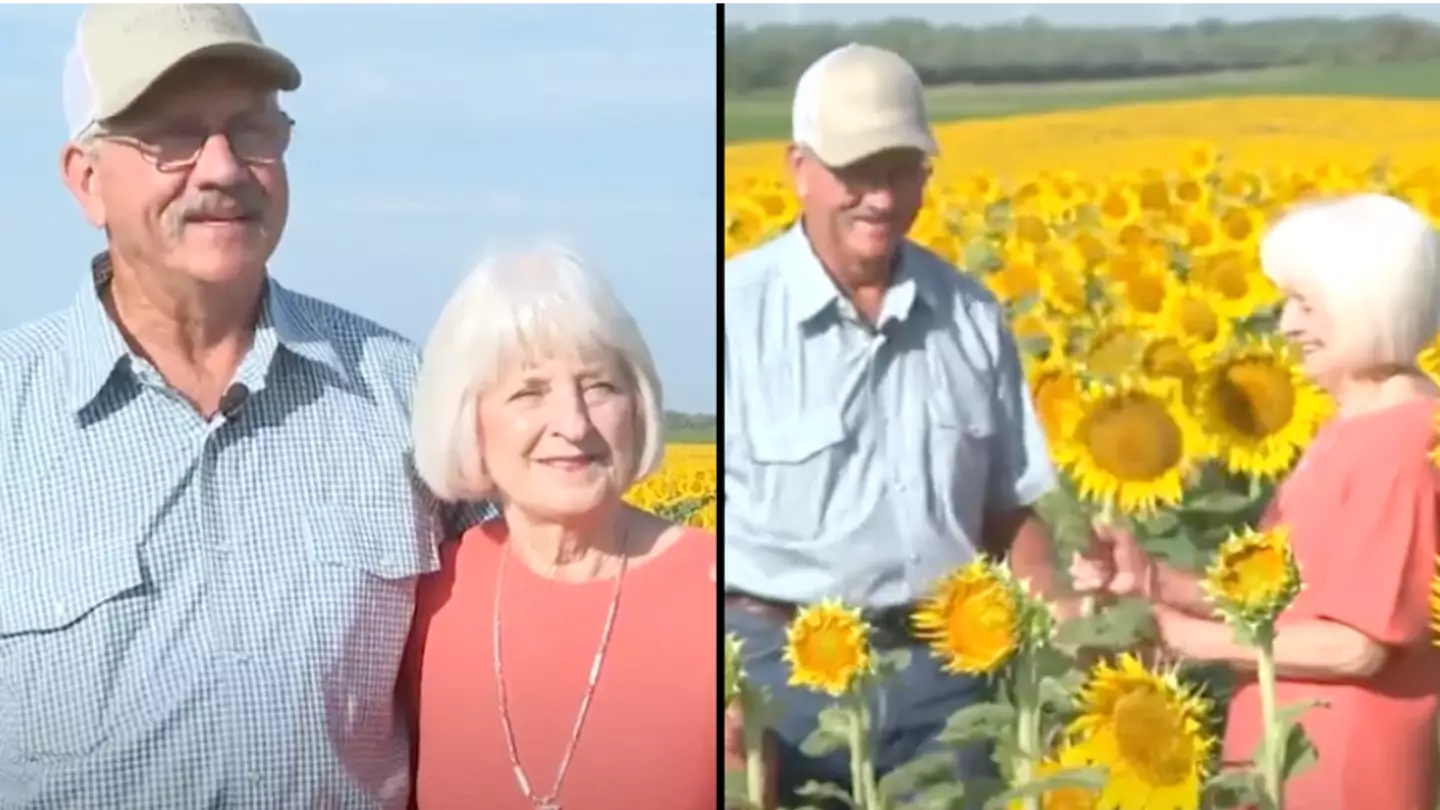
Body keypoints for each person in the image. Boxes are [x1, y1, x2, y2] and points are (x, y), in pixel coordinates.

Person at [0, 1, 486, 806]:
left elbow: (520, 654)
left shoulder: (405, 394)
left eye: (251, 130)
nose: (222, 168)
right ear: (87, 180)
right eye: (174, 135)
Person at [723, 43, 1074, 807]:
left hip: (947, 676)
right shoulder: (736, 316)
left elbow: (1011, 513)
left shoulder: (972, 316)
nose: (879, 198)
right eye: (856, 172)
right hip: (777, 674)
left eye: (901, 171)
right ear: (799, 169)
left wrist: (1057, 642)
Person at [1072, 193, 1440, 810]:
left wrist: (1188, 640)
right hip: (1291, 747)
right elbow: (1289, 602)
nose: (1286, 326)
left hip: (1343, 762)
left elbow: (1357, 645)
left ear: (1369, 308)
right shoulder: (1350, 426)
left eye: (1307, 305)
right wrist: (1154, 581)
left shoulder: (1402, 445)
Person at [402, 245, 718, 810]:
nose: (572, 424)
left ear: (638, 405)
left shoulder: (719, 589)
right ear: (467, 419)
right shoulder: (428, 595)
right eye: (529, 392)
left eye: (599, 386)